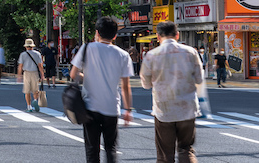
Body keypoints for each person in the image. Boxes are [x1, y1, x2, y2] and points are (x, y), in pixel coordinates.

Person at [70, 17, 134, 163]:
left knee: (92, 149)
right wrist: (128, 109)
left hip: (90, 107)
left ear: (97, 33)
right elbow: (125, 86)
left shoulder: (87, 48)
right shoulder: (123, 55)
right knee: (111, 148)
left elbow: (73, 74)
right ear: (115, 35)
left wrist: (87, 76)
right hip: (111, 107)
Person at [140, 21, 202, 163]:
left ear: (158, 36)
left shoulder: (151, 55)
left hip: (164, 109)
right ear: (177, 35)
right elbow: (199, 79)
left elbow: (146, 84)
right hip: (187, 108)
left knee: (164, 155)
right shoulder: (191, 52)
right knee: (186, 149)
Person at [18, 38, 46, 112]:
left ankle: (29, 106)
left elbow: (20, 65)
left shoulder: (23, 54)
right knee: (35, 90)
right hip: (35, 73)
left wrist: (19, 75)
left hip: (26, 73)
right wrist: (42, 75)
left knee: (27, 91)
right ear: (33, 46)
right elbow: (40, 65)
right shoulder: (37, 54)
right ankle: (35, 100)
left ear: (26, 46)